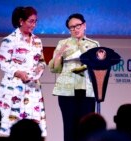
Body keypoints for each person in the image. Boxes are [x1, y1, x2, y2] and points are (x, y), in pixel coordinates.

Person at [0, 6, 47, 138]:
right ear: (21, 21)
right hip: (14, 88)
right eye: (31, 21)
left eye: (35, 21)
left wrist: (40, 68)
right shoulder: (10, 40)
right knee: (12, 126)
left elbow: (41, 61)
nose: (34, 25)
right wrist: (18, 72)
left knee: (32, 128)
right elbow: (1, 62)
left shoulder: (37, 41)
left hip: (32, 88)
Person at [48, 13, 100, 141]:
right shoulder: (62, 43)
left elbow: (98, 68)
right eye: (71, 27)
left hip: (87, 91)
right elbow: (54, 69)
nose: (75, 29)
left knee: (86, 129)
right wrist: (59, 55)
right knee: (69, 128)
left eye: (78, 26)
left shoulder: (94, 44)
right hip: (67, 92)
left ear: (84, 25)